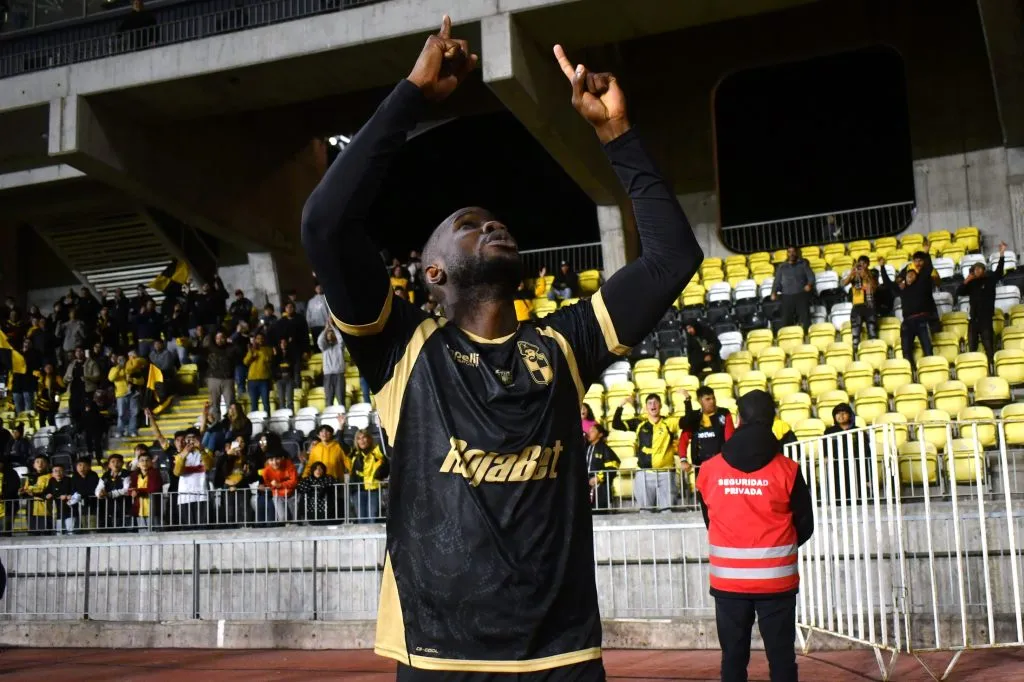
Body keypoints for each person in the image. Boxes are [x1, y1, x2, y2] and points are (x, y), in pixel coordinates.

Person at [300, 19, 701, 677]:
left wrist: (616, 133)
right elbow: (323, 224)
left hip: (562, 655)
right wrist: (411, 96)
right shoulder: (402, 347)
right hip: (437, 657)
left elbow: (671, 258)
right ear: (432, 274)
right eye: (467, 226)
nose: (491, 224)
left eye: (496, 222)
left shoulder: (564, 344)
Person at [695, 390, 814, 682]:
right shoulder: (788, 469)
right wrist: (775, 548)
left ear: (738, 419)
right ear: (772, 420)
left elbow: (709, 519)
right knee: (782, 660)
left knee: (733, 661)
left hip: (729, 583)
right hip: (776, 581)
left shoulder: (709, 470)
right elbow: (806, 524)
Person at [613, 394, 680, 511]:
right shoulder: (639, 423)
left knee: (668, 512)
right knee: (645, 512)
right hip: (644, 474)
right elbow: (616, 424)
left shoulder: (669, 422)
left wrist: (688, 400)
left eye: (655, 402)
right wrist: (620, 405)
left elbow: (689, 421)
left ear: (661, 406)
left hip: (666, 473)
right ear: (646, 407)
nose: (653, 405)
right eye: (650, 403)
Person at [879, 253, 934, 371]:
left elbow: (928, 269)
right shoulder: (902, 289)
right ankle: (912, 371)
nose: (910, 276)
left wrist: (927, 253)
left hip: (921, 320)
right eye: (908, 274)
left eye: (913, 274)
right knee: (906, 350)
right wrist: (882, 267)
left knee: (928, 348)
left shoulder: (921, 284)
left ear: (916, 277)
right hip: (908, 323)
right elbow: (888, 283)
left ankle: (929, 370)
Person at [956, 242, 1007, 365]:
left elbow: (999, 271)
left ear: (984, 270)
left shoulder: (989, 280)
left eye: (979, 268)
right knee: (972, 348)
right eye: (975, 269)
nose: (977, 270)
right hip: (973, 320)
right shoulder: (971, 283)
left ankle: (991, 369)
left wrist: (1002, 254)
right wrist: (966, 281)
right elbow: (959, 292)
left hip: (986, 319)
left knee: (989, 347)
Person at [677, 387, 735, 488]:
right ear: (700, 400)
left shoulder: (724, 413)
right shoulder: (694, 417)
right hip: (700, 467)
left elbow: (730, 439)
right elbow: (683, 440)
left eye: (713, 398)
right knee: (703, 499)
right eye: (708, 399)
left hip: (720, 466)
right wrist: (683, 459)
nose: (712, 401)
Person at [348, 428, 389, 523]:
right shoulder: (354, 454)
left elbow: (384, 442)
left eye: (364, 437)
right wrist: (341, 429)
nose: (362, 440)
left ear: (369, 439)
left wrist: (382, 427)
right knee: (361, 519)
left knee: (372, 517)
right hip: (358, 490)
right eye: (359, 438)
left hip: (373, 489)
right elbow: (342, 447)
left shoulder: (377, 452)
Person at [772, 246, 815, 329]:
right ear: (787, 254)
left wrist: (809, 284)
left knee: (805, 320)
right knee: (786, 320)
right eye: (789, 252)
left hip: (801, 294)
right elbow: (777, 281)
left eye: (793, 252)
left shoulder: (803, 264)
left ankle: (806, 336)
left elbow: (811, 276)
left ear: (796, 253)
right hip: (786, 296)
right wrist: (774, 292)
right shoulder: (782, 267)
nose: (791, 254)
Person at [843, 256, 877, 351]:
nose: (862, 265)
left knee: (872, 331)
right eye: (860, 263)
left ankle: (874, 352)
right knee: (855, 334)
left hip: (869, 305)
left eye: (864, 263)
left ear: (868, 264)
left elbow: (874, 288)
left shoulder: (872, 273)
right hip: (857, 305)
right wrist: (851, 274)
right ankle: (855, 356)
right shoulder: (854, 274)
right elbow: (843, 283)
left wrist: (865, 276)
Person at [584, 423, 619, 510]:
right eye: (589, 431)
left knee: (599, 512)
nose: (589, 433)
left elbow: (613, 467)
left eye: (592, 431)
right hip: (585, 486)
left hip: (600, 488)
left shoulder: (605, 449)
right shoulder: (585, 448)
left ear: (600, 434)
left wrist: (598, 478)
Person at [244, 332, 273, 413]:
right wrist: (251, 352)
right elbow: (245, 362)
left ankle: (267, 422)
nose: (259, 340)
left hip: (264, 380)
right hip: (252, 380)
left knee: (266, 403)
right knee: (254, 404)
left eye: (261, 338)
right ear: (255, 340)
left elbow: (268, 359)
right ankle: (255, 423)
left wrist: (258, 350)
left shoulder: (268, 349)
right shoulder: (251, 349)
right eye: (258, 338)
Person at [318, 325, 345, 407]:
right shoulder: (324, 347)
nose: (330, 335)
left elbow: (341, 338)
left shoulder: (340, 346)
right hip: (328, 375)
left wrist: (333, 327)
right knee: (329, 400)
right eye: (328, 334)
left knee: (341, 399)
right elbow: (319, 340)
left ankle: (342, 419)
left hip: (339, 374)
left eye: (331, 333)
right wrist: (326, 329)